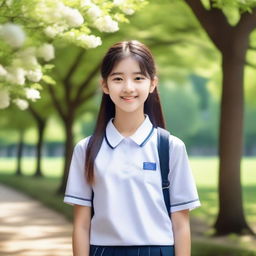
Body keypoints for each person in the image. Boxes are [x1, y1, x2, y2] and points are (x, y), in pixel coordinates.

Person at [64, 40, 201, 256]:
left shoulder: (171, 147)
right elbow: (81, 225)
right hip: (102, 250)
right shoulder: (86, 149)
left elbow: (181, 225)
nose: (128, 87)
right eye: (118, 78)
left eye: (138, 78)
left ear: (153, 83)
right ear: (105, 85)